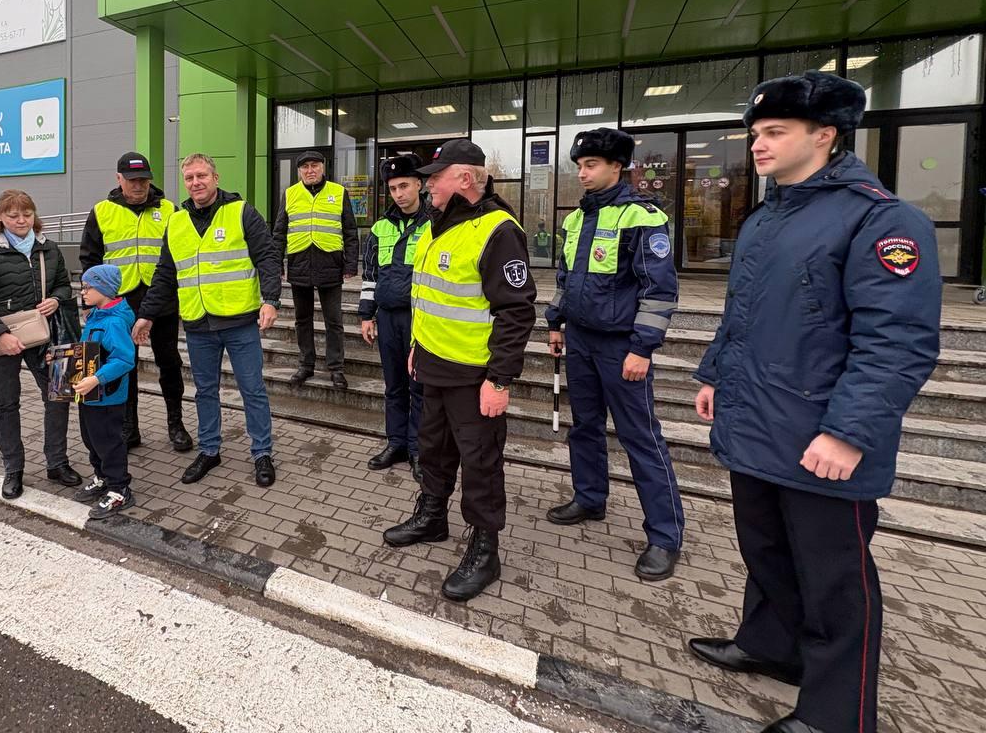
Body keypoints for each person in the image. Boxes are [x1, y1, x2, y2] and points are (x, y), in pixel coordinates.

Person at [686, 72, 941, 733]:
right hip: (758, 421)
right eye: (755, 133)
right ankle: (772, 646)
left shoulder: (881, 218)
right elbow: (741, 315)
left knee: (835, 583)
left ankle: (836, 715)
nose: (758, 145)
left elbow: (899, 342)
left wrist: (849, 432)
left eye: (774, 132)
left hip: (822, 438)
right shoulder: (768, 216)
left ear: (824, 135)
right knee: (765, 551)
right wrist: (714, 373)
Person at [382, 139, 536, 603]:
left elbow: (516, 311)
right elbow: (429, 296)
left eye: (436, 176)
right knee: (433, 450)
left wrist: (500, 379)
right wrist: (416, 346)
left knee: (481, 464)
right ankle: (432, 518)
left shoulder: (498, 230)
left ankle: (485, 551)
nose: (429, 184)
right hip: (433, 364)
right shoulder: (438, 224)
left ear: (465, 178)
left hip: (475, 376)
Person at [544, 127, 685, 582]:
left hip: (622, 346)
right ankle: (589, 498)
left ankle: (665, 536)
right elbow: (566, 280)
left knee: (640, 437)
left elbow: (659, 290)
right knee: (584, 427)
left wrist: (643, 347)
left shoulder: (641, 216)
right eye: (579, 166)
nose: (582, 173)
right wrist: (556, 322)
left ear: (615, 167)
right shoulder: (575, 219)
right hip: (581, 340)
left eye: (590, 166)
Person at [134, 153, 282, 488]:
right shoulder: (176, 221)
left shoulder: (241, 212)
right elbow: (165, 275)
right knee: (204, 391)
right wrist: (146, 315)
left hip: (239, 320)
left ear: (215, 177)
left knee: (252, 390)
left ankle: (262, 453)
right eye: (189, 178)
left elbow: (268, 256)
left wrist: (270, 300)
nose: (196, 183)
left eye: (202, 176)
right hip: (198, 323)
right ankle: (210, 449)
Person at [0, 189, 82, 500]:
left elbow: (62, 284)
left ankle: (57, 463)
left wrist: (57, 299)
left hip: (46, 333)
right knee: (6, 403)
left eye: (26, 214)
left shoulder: (49, 248)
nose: (21, 220)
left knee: (58, 395)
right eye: (13, 215)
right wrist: (0, 334)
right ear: (0, 216)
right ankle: (13, 470)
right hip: (1, 336)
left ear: (35, 215)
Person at [79, 151, 192, 454]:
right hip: (119, 303)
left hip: (161, 298)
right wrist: (89, 301)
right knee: (122, 364)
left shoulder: (170, 210)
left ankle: (176, 424)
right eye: (132, 180)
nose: (139, 185)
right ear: (119, 179)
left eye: (143, 179)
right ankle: (129, 427)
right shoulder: (102, 211)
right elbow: (89, 259)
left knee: (169, 362)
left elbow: (183, 252)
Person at [358, 153, 430, 481]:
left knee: (420, 386)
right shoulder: (379, 227)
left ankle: (418, 449)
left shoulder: (436, 223)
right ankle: (396, 443)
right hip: (387, 318)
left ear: (420, 184)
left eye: (404, 185)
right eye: (392, 188)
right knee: (394, 386)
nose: (399, 193)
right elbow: (370, 275)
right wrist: (366, 315)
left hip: (421, 319)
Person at [272, 150, 358, 389]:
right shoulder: (290, 194)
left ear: (323, 168)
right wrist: (277, 263)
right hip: (299, 263)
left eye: (314, 166)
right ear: (299, 171)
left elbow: (350, 231)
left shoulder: (339, 192)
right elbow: (279, 233)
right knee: (302, 319)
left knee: (334, 320)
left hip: (330, 263)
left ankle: (336, 368)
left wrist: (350, 264)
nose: (310, 170)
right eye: (305, 167)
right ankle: (305, 365)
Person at [71, 265, 140, 520]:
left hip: (107, 396)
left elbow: (124, 360)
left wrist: (96, 379)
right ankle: (101, 476)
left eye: (88, 287)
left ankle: (119, 487)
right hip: (89, 394)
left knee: (109, 442)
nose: (83, 292)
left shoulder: (114, 322)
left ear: (105, 289)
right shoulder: (97, 316)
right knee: (91, 439)